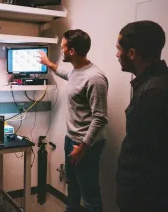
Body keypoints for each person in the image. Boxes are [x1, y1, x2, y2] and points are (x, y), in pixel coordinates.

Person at [39, 29, 108, 212]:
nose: (61, 51)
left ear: (72, 51)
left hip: (87, 144)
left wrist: (83, 147)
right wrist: (49, 64)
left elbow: (100, 118)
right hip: (71, 139)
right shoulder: (77, 71)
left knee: (89, 192)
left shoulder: (95, 78)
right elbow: (66, 74)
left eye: (63, 47)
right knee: (73, 186)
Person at [115, 20, 168, 212]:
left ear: (132, 53)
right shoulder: (156, 82)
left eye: (118, 49)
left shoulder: (153, 92)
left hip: (143, 199)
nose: (116, 55)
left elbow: (146, 156)